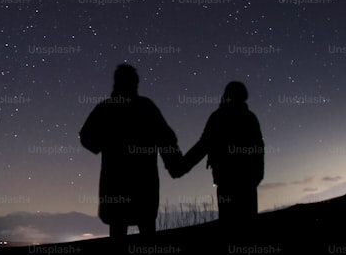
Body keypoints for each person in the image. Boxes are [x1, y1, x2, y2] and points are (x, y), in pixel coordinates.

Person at [80, 64, 183, 239]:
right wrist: (174, 163)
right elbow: (166, 137)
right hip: (144, 182)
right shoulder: (146, 107)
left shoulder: (106, 109)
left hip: (115, 182)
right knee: (146, 227)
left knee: (118, 228)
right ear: (134, 84)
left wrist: (103, 144)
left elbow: (86, 138)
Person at [177, 81, 264, 224]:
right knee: (247, 222)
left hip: (230, 179)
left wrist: (182, 166)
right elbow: (259, 148)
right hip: (243, 180)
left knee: (230, 222)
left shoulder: (218, 117)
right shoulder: (249, 117)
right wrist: (258, 175)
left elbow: (203, 145)